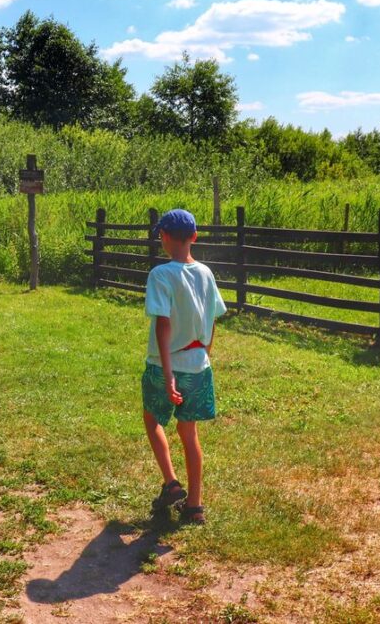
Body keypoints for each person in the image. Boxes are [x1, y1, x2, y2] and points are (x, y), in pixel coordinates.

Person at [140, 209, 226, 525]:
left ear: (163, 237)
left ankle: (172, 483)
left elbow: (163, 325)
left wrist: (168, 374)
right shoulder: (206, 273)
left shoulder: (161, 275)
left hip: (166, 364)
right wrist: (206, 354)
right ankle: (195, 506)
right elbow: (214, 317)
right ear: (194, 237)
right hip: (198, 364)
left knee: (152, 419)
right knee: (189, 433)